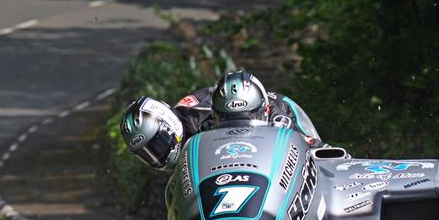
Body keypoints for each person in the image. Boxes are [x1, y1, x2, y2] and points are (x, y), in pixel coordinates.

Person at [119, 70, 321, 170]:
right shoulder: (184, 128)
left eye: (158, 145)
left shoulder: (197, 118)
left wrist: (320, 150)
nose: (157, 156)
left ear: (168, 127)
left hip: (274, 112)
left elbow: (310, 145)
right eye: (147, 154)